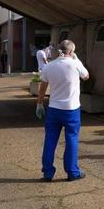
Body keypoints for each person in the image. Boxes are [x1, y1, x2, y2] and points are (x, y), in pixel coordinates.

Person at [36, 40, 89, 182]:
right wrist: (77, 60)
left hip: (54, 109)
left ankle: (47, 172)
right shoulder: (75, 64)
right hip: (71, 109)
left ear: (60, 50)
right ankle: (72, 172)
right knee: (71, 139)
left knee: (50, 140)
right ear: (71, 52)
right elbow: (86, 76)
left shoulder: (49, 67)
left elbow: (42, 88)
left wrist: (39, 104)